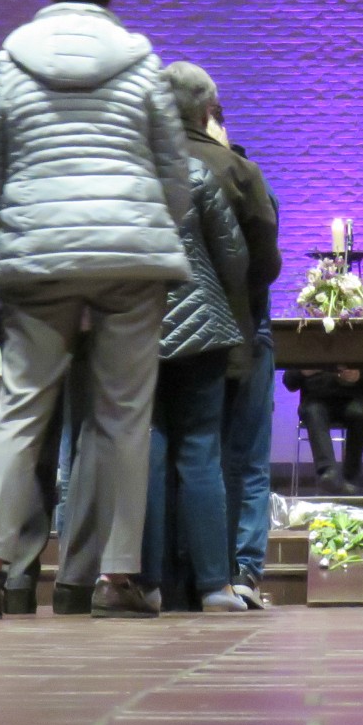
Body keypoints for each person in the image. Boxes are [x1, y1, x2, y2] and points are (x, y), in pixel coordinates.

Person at [0, 0, 194, 620]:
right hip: (128, 252)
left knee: (22, 402)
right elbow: (175, 174)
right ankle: (116, 577)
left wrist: (28, 224)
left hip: (37, 252)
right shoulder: (142, 60)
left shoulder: (10, 58)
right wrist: (151, 222)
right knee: (124, 415)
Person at [166, 62, 282, 607]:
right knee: (237, 459)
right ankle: (233, 575)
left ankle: (160, 575)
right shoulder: (236, 170)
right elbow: (259, 262)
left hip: (146, 333)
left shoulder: (137, 166)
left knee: (164, 453)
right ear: (209, 112)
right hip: (236, 330)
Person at [143, 149, 251, 613]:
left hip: (134, 328)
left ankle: (147, 583)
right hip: (202, 324)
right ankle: (213, 586)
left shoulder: (109, 169)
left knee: (146, 450)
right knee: (201, 451)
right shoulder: (192, 171)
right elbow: (234, 255)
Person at [285, 365, 363, 494]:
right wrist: (303, 371)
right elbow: (289, 381)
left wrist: (360, 374)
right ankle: (328, 472)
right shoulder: (306, 345)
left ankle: (350, 479)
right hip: (317, 399)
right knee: (313, 411)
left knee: (359, 413)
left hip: (356, 399)